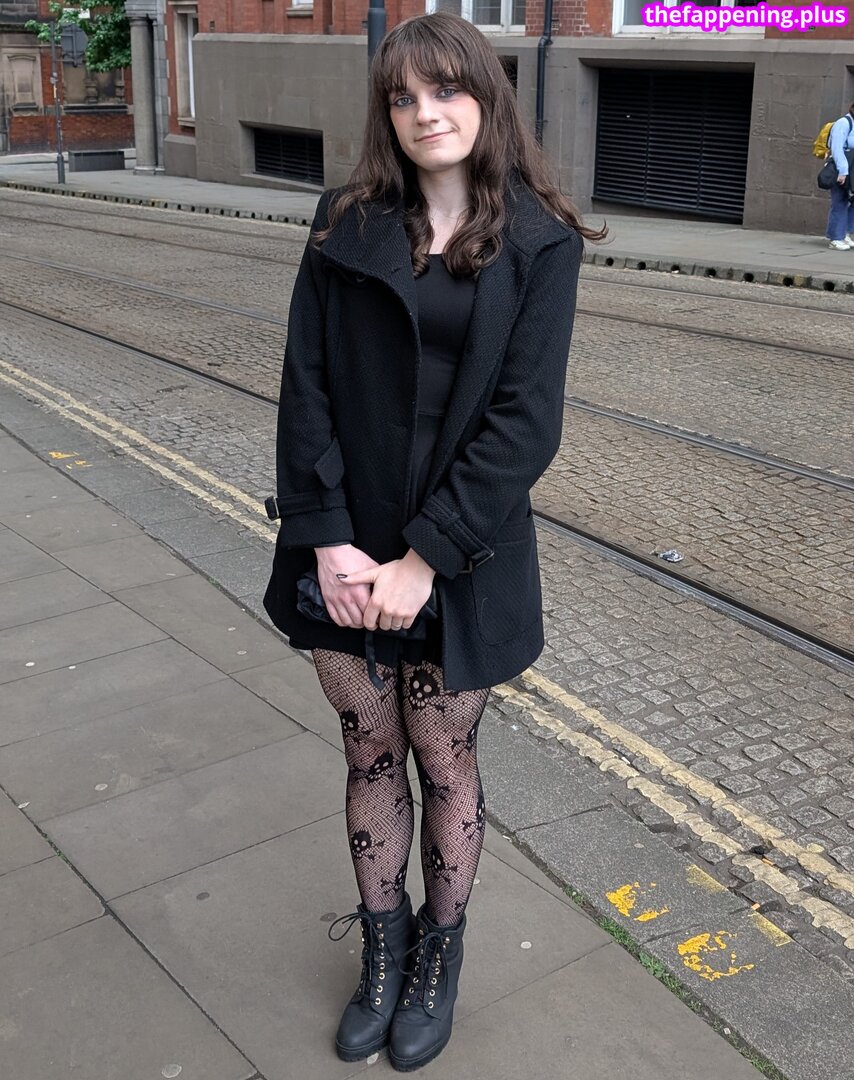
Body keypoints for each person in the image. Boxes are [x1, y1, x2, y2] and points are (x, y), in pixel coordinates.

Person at [262, 10, 604, 1072]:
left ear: (485, 96)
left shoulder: (541, 241)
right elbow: (305, 384)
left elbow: (524, 423)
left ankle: (436, 958)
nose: (425, 113)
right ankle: (383, 951)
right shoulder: (344, 220)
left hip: (462, 558)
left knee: (443, 759)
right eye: (402, 97)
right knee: (368, 751)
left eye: (446, 90)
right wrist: (326, 542)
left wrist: (425, 558)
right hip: (345, 550)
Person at [826, 103, 854, 250]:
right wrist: (843, 171)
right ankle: (836, 237)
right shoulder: (843, 123)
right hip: (842, 168)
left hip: (852, 169)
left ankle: (845, 233)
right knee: (840, 201)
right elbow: (837, 149)